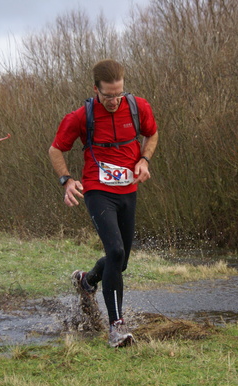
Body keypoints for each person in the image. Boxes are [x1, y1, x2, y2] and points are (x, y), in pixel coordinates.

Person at [48, 59, 159, 347]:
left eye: (118, 93)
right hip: (97, 190)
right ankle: (116, 328)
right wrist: (67, 180)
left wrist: (144, 160)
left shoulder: (138, 108)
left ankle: (87, 281)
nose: (114, 100)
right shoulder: (80, 117)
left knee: (119, 262)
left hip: (128, 190)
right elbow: (56, 149)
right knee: (115, 249)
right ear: (95, 89)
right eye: (108, 95)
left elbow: (152, 133)